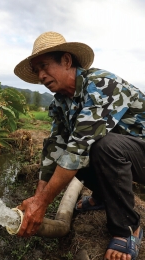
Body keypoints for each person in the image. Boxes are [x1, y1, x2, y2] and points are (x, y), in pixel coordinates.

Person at [14, 31, 145, 260]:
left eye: (44, 66)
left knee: (102, 146)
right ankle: (104, 197)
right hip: (125, 156)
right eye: (37, 71)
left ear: (66, 61)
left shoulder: (103, 85)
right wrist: (37, 199)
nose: (41, 76)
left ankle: (128, 229)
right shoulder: (59, 103)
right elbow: (53, 149)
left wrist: (42, 204)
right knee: (77, 150)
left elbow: (78, 149)